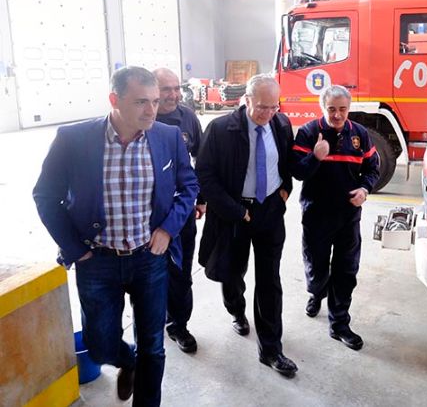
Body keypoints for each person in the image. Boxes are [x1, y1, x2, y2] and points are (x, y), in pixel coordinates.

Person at [33, 66, 199, 406]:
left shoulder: (167, 137)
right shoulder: (74, 139)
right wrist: (74, 248)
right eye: (141, 102)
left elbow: (188, 187)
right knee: (99, 343)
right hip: (97, 260)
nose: (152, 110)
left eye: (154, 101)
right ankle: (127, 361)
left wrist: (168, 229)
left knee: (153, 344)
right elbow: (45, 196)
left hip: (149, 258)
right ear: (114, 99)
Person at [196, 74, 297, 377]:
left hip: (269, 212)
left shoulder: (280, 124)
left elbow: (285, 162)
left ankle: (271, 349)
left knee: (269, 280)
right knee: (232, 272)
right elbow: (204, 174)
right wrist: (234, 210)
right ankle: (236, 311)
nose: (268, 114)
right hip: (234, 213)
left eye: (274, 107)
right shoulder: (220, 129)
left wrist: (285, 189)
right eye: (262, 107)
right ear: (247, 100)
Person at [290, 85, 379, 351]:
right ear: (322, 108)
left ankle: (339, 323)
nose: (337, 115)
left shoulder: (360, 135)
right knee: (317, 267)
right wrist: (315, 157)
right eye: (332, 109)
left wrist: (364, 189)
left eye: (342, 109)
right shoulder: (308, 133)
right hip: (316, 214)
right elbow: (297, 171)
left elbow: (373, 169)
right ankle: (317, 292)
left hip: (348, 215)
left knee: (346, 269)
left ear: (349, 109)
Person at [152, 67, 205, 354]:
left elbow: (203, 158)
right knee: (147, 274)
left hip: (181, 210)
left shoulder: (187, 118)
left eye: (176, 88)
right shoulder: (138, 119)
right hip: (146, 215)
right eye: (165, 89)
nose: (173, 95)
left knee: (181, 273)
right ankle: (150, 321)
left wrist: (200, 198)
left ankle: (178, 325)